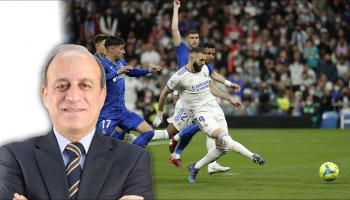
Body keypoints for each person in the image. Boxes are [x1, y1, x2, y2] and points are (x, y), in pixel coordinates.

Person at [0, 45, 153, 200]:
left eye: (85, 85)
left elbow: (133, 71)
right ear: (45, 95)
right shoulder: (13, 158)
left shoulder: (135, 160)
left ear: (102, 95)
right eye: (61, 86)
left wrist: (147, 70)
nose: (73, 97)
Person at [155, 47, 265, 183]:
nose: (204, 62)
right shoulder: (180, 76)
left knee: (222, 148)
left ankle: (194, 167)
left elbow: (210, 87)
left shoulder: (204, 68)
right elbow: (165, 93)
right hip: (200, 114)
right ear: (192, 58)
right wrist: (160, 114)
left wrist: (229, 98)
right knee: (225, 139)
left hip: (215, 109)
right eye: (201, 59)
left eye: (205, 59)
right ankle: (253, 155)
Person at [97, 36, 161, 148]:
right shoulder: (101, 64)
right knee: (104, 145)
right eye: (121, 49)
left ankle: (129, 156)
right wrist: (117, 72)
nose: (124, 51)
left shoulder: (120, 62)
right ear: (111, 49)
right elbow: (98, 80)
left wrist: (148, 70)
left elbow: (132, 71)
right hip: (106, 113)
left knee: (149, 132)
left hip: (122, 111)